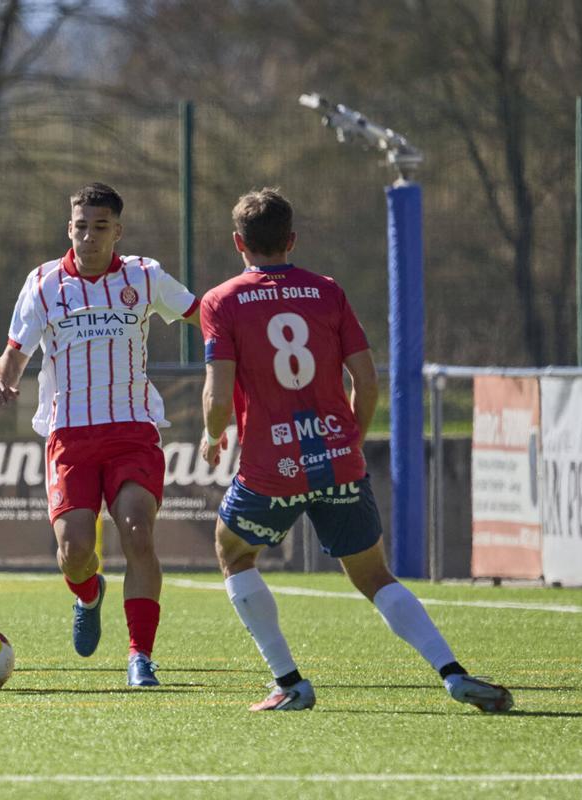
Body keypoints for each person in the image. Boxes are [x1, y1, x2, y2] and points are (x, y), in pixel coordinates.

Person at [199, 188, 513, 713]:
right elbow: (366, 382)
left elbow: (215, 393)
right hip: (337, 457)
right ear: (291, 239)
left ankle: (290, 682)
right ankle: (452, 673)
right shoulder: (327, 291)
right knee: (373, 576)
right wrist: (350, 441)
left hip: (271, 467)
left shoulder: (222, 300)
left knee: (233, 552)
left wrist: (212, 436)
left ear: (238, 243)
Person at [0, 182, 200, 687]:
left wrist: (236, 346)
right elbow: (16, 350)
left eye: (100, 227)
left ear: (117, 231)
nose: (88, 237)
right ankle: (88, 593)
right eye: (80, 227)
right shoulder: (43, 283)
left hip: (132, 430)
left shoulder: (145, 278)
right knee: (74, 551)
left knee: (137, 531)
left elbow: (203, 315)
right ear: (69, 228)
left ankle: (140, 656)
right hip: (70, 436)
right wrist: (2, 380)